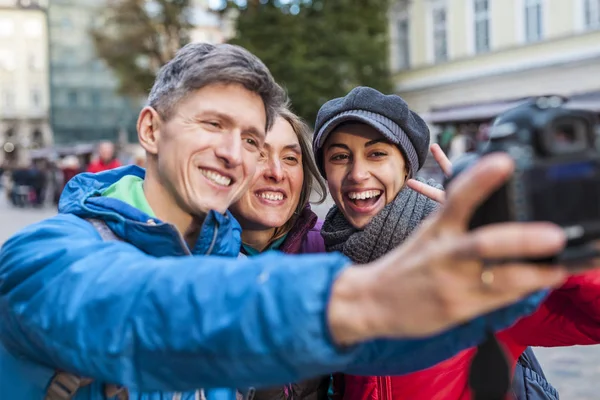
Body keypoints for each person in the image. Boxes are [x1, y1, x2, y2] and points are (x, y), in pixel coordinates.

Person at [0, 43, 579, 400]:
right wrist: (370, 298)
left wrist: (553, 239)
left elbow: (376, 348)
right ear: (150, 130)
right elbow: (152, 305)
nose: (236, 153)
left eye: (252, 138)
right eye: (211, 124)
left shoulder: (228, 255)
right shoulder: (48, 253)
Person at [312, 88, 598, 400]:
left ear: (407, 167)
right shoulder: (321, 268)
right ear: (326, 172)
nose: (357, 173)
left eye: (376, 154)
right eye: (340, 157)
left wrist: (550, 242)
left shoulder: (470, 262)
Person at [229, 106, 329, 400]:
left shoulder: (332, 248)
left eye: (290, 158)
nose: (276, 172)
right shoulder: (187, 261)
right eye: (259, 154)